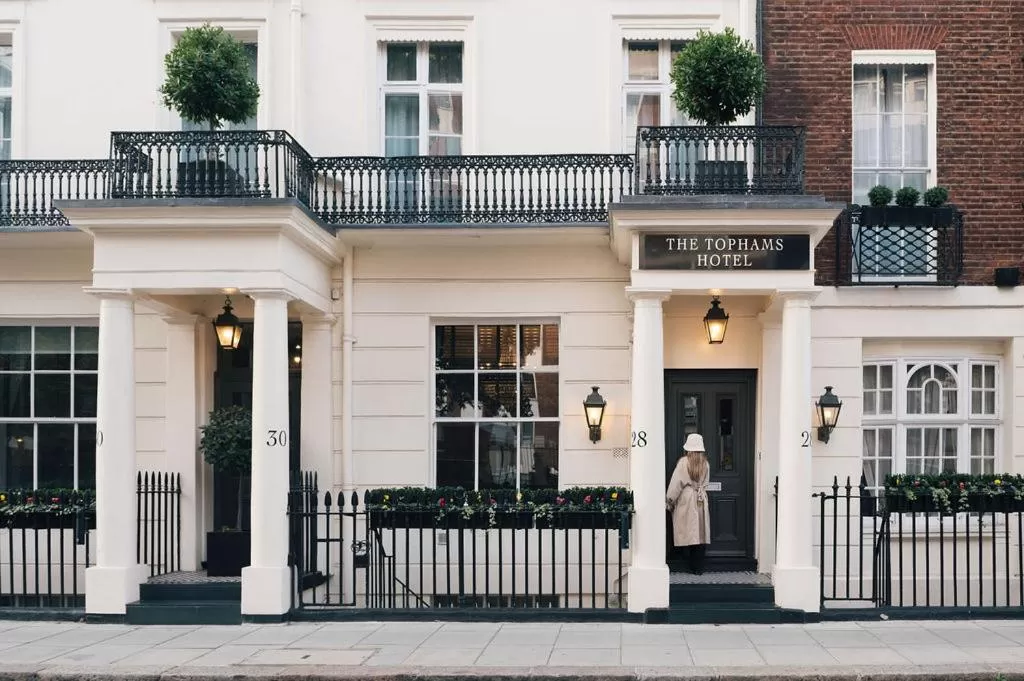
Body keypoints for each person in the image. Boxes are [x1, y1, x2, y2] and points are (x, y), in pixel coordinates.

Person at [665, 433, 711, 574]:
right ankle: (698, 567)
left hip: (687, 497)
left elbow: (676, 484)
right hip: (700, 497)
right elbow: (706, 483)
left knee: (686, 530)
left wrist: (669, 500)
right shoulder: (705, 463)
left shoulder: (683, 462)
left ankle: (680, 562)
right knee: (699, 532)